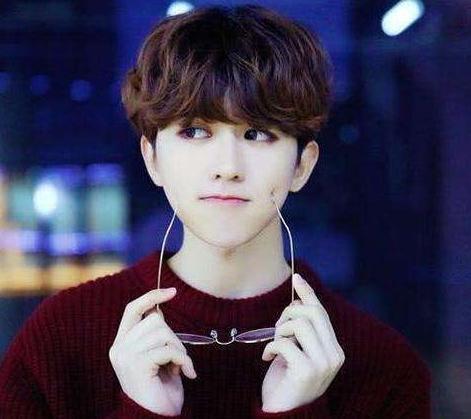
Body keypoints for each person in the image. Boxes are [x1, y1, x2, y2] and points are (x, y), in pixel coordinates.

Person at [0, 4, 431, 418]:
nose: (227, 167)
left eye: (257, 134)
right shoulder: (61, 338)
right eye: (194, 131)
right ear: (152, 158)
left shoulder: (384, 368)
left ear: (302, 165)